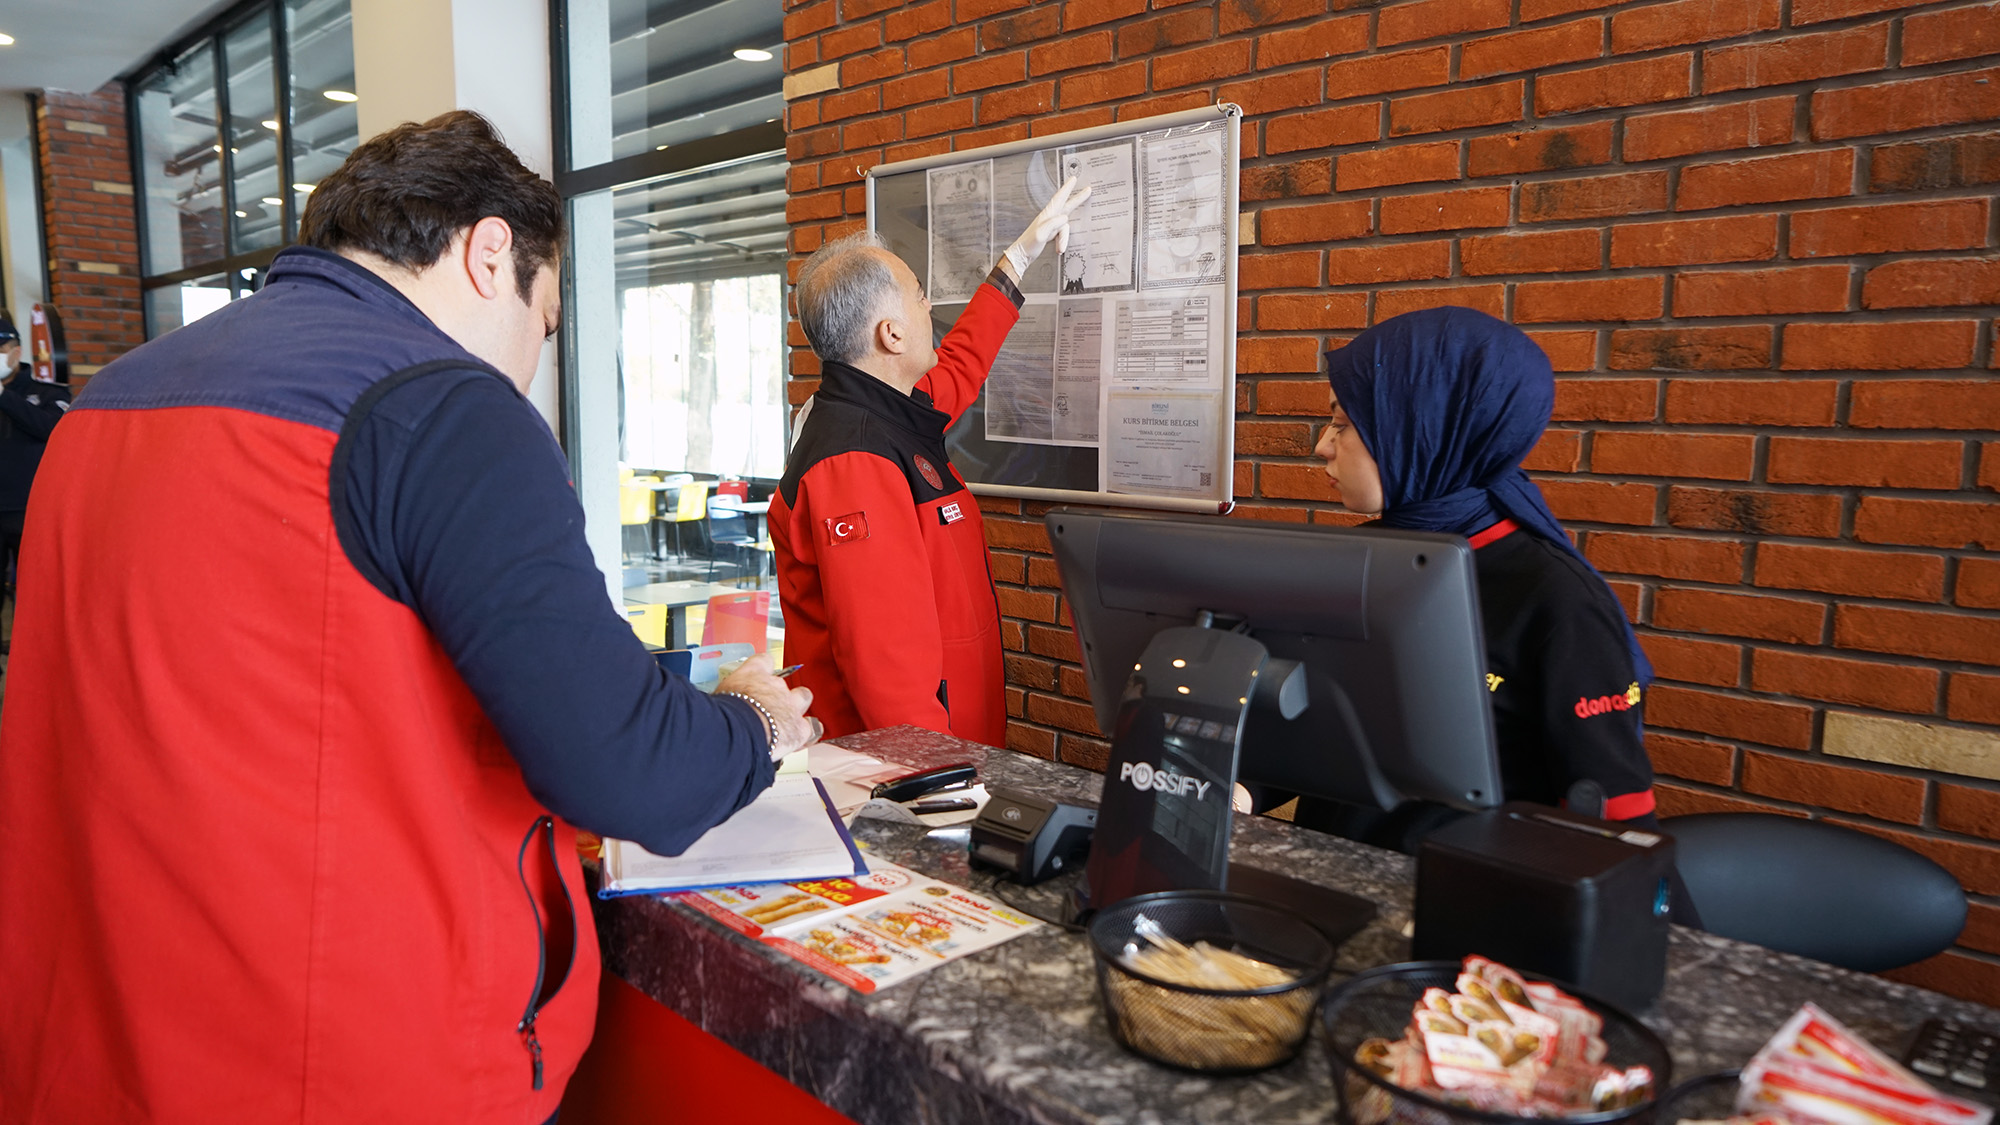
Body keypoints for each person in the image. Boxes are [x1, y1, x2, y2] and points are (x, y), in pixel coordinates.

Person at [0, 111, 817, 1123]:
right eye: (543, 324)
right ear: (490, 253)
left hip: (88, 1045)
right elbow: (627, 767)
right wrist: (756, 719)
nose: (530, 365)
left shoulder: (107, 401)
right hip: (338, 1068)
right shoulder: (443, 410)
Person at [1296, 306, 1658, 846]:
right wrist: (1241, 789)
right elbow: (1312, 727)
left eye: (1344, 425)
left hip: (1462, 886)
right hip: (1321, 871)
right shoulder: (1358, 559)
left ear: (1422, 430)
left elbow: (1613, 824)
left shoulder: (1556, 599)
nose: (1322, 446)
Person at [772, 179, 1090, 746]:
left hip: (954, 746)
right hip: (905, 770)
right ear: (891, 335)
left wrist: (1018, 260)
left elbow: (963, 362)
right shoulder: (854, 463)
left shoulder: (890, 405)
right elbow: (885, 665)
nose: (930, 307)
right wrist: (939, 778)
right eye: (919, 296)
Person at [0, 312, 69, 644]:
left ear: (17, 351)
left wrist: (3, 396)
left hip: (30, 510)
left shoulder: (46, 392)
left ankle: (32, 661)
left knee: (35, 595)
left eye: (1, 349)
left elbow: (53, 430)